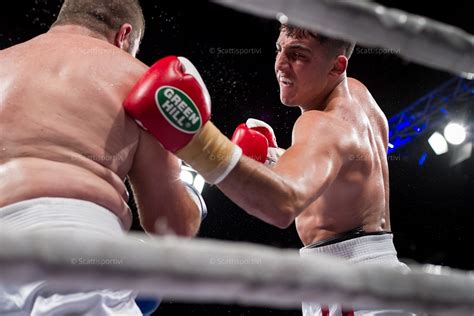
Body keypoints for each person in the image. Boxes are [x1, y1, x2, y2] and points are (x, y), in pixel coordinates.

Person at [124, 22, 412, 315]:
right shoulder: (359, 97)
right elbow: (341, 168)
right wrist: (283, 159)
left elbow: (283, 205)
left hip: (348, 286)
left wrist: (198, 143)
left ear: (337, 66)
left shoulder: (320, 125)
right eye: (279, 49)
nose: (281, 64)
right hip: (380, 271)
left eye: (298, 55)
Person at [0, 0, 204, 315]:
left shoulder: (4, 61)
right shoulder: (139, 78)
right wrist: (192, 189)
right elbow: (171, 226)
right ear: (124, 35)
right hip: (73, 252)